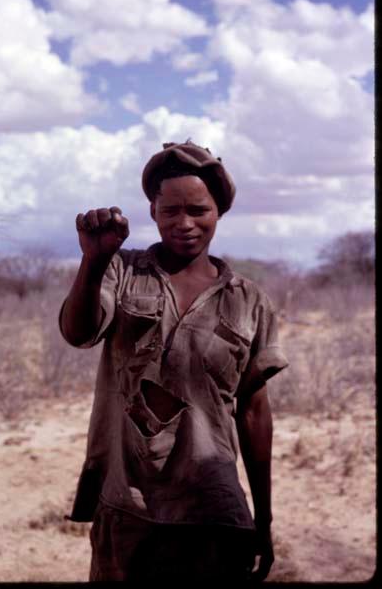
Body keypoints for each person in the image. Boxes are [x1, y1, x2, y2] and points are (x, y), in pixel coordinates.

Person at [59, 140, 289, 582]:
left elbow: (255, 412)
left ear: (219, 211)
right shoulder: (121, 270)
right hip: (128, 502)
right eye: (170, 211)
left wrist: (264, 519)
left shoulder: (248, 301)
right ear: (153, 213)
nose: (184, 223)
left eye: (198, 211)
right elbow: (78, 333)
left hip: (212, 507)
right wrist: (94, 259)